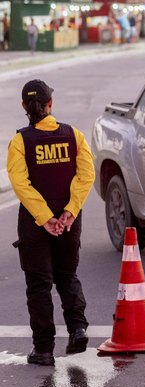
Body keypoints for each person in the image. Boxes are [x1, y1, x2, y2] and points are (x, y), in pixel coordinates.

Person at [6, 79, 95, 366]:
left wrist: (45, 218)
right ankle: (78, 329)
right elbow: (86, 176)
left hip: (35, 225)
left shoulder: (20, 141)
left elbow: (21, 184)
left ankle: (44, 349)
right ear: (51, 104)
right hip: (68, 223)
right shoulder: (74, 136)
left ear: (24, 107)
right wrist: (69, 212)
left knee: (39, 284)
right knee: (67, 275)